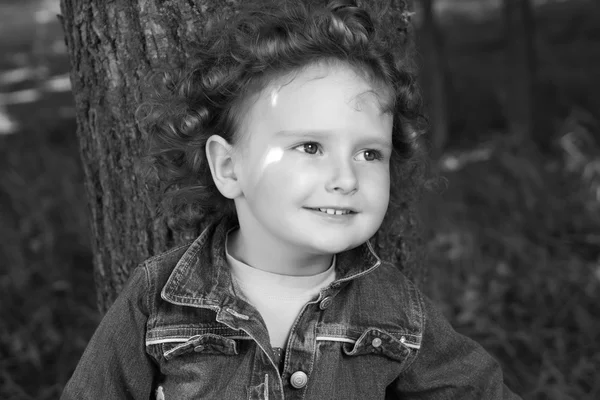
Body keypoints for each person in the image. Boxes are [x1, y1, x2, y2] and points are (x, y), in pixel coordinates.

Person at [62, 0, 521, 398]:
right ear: (229, 167)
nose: (345, 177)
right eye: (310, 147)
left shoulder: (392, 306)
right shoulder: (159, 299)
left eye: (368, 152)